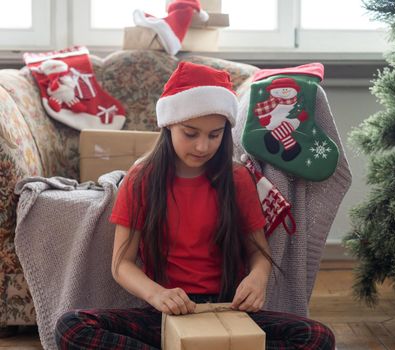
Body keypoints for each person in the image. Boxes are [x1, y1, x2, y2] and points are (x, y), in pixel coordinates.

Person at [54, 61, 335, 350]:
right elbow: (121, 265)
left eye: (214, 134)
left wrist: (258, 278)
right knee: (72, 327)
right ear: (168, 125)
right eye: (190, 133)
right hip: (165, 313)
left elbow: (259, 254)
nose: (203, 146)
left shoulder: (238, 178)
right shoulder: (142, 178)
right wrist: (157, 295)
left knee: (318, 337)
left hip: (229, 312)